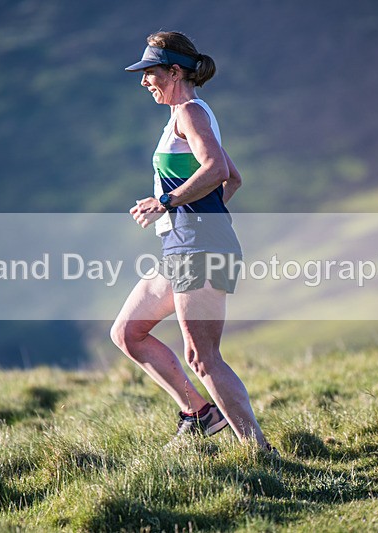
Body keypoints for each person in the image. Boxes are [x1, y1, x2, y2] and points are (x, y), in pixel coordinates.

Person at [111, 31, 272, 451]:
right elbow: (231, 178)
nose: (144, 81)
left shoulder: (190, 113)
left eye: (150, 72)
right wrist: (194, 211)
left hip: (197, 246)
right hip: (186, 244)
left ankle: (259, 452)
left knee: (202, 357)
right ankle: (200, 414)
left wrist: (170, 202)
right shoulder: (185, 115)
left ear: (174, 71)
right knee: (128, 332)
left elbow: (217, 169)